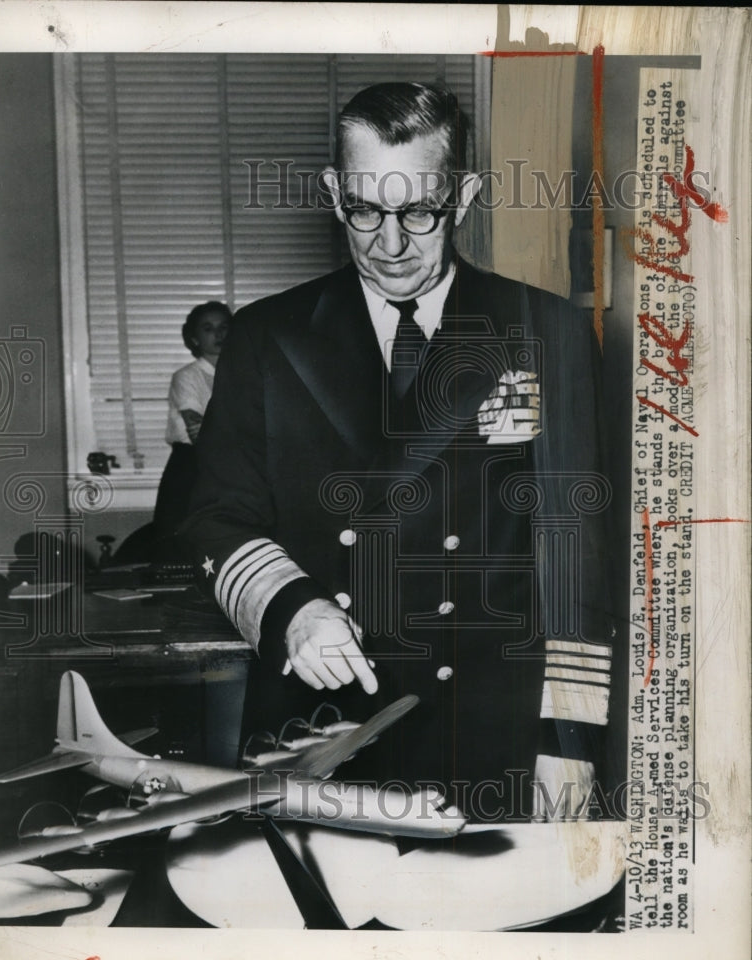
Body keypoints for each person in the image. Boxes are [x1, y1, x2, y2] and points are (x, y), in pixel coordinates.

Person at [183, 83, 614, 822]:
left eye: (419, 211)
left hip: (492, 729)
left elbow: (572, 553)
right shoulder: (266, 338)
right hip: (320, 727)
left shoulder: (545, 331)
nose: (389, 244)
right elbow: (215, 516)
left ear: (464, 194)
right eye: (363, 210)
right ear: (332, 193)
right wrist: (292, 607)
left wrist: (568, 743)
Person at [153, 301, 232, 543]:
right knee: (181, 539)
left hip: (232, 463)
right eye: (208, 328)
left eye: (224, 327)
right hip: (191, 466)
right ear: (195, 339)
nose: (218, 334)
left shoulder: (240, 372)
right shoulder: (187, 376)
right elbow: (198, 430)